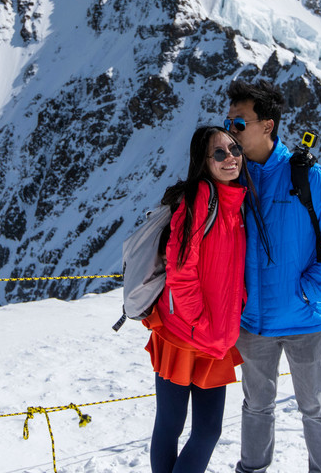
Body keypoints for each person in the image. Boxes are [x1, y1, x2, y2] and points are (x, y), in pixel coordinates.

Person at [224, 80, 321, 473]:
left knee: (316, 407)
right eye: (229, 121)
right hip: (253, 323)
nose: (231, 130)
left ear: (267, 126)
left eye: (239, 123)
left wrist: (309, 290)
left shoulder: (310, 177)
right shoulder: (233, 179)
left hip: (304, 320)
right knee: (255, 407)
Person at [143, 125, 253, 473]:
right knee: (175, 426)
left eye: (234, 149)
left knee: (205, 430)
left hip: (213, 336)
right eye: (219, 153)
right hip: (184, 334)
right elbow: (180, 268)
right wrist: (198, 320)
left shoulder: (235, 202)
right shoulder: (201, 197)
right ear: (203, 162)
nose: (230, 158)